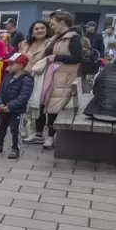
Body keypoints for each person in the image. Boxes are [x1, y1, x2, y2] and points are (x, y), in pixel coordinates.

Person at [30, 11, 82, 149]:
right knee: (41, 103)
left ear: (62, 22)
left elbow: (77, 58)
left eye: (53, 24)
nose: (51, 27)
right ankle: (39, 133)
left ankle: (51, 137)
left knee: (54, 107)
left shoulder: (73, 38)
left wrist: (56, 58)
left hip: (62, 78)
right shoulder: (57, 37)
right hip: (49, 76)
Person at [0, 53, 33, 159]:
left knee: (15, 130)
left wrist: (10, 106)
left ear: (20, 65)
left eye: (11, 64)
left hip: (16, 110)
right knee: (2, 127)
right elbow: (0, 92)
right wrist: (0, 103)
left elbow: (24, 96)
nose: (8, 66)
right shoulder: (7, 77)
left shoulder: (27, 79)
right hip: (4, 108)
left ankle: (15, 148)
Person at [20, 20, 52, 140]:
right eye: (36, 29)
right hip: (24, 77)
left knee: (36, 105)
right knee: (23, 103)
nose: (39, 30)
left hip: (40, 78)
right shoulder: (25, 43)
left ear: (47, 29)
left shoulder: (50, 43)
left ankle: (35, 132)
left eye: (42, 28)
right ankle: (23, 128)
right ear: (32, 31)